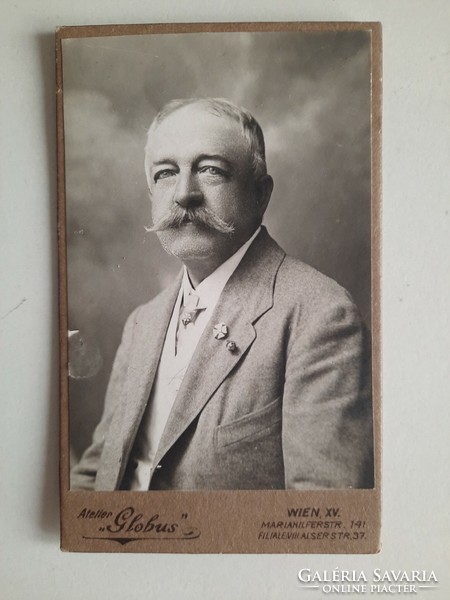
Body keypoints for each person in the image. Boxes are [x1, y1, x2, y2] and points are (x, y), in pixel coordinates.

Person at [71, 97, 373, 491]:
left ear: (260, 195)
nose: (183, 193)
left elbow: (321, 515)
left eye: (211, 170)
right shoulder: (142, 323)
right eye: (165, 173)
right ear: (152, 196)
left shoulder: (320, 315)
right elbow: (97, 474)